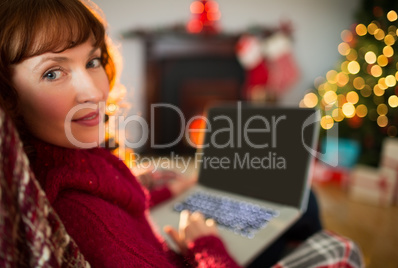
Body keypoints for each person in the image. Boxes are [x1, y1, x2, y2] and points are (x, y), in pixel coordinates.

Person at [0, 0, 322, 267]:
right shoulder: (84, 218)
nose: (94, 92)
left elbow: (117, 198)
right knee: (303, 203)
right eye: (53, 72)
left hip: (167, 235)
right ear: (6, 95)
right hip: (193, 253)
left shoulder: (64, 159)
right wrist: (206, 247)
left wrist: (174, 190)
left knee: (293, 201)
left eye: (93, 60)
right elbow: (105, 224)